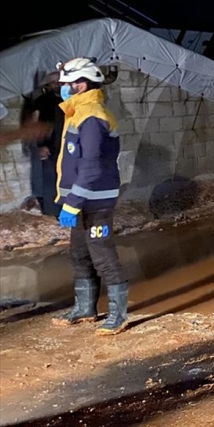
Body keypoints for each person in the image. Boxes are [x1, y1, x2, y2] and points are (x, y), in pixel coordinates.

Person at [50, 57, 129, 336]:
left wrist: (72, 203)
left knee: (102, 253)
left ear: (80, 84)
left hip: (96, 199)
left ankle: (119, 315)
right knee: (79, 254)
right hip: (81, 199)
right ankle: (85, 309)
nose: (62, 89)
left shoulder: (93, 116)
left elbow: (91, 166)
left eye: (67, 84)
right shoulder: (78, 112)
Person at [22, 72, 64, 216]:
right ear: (48, 85)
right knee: (50, 181)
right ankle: (53, 213)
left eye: (59, 81)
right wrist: (40, 145)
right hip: (50, 147)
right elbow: (35, 124)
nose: (57, 84)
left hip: (68, 146)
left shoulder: (71, 100)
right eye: (53, 82)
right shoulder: (43, 101)